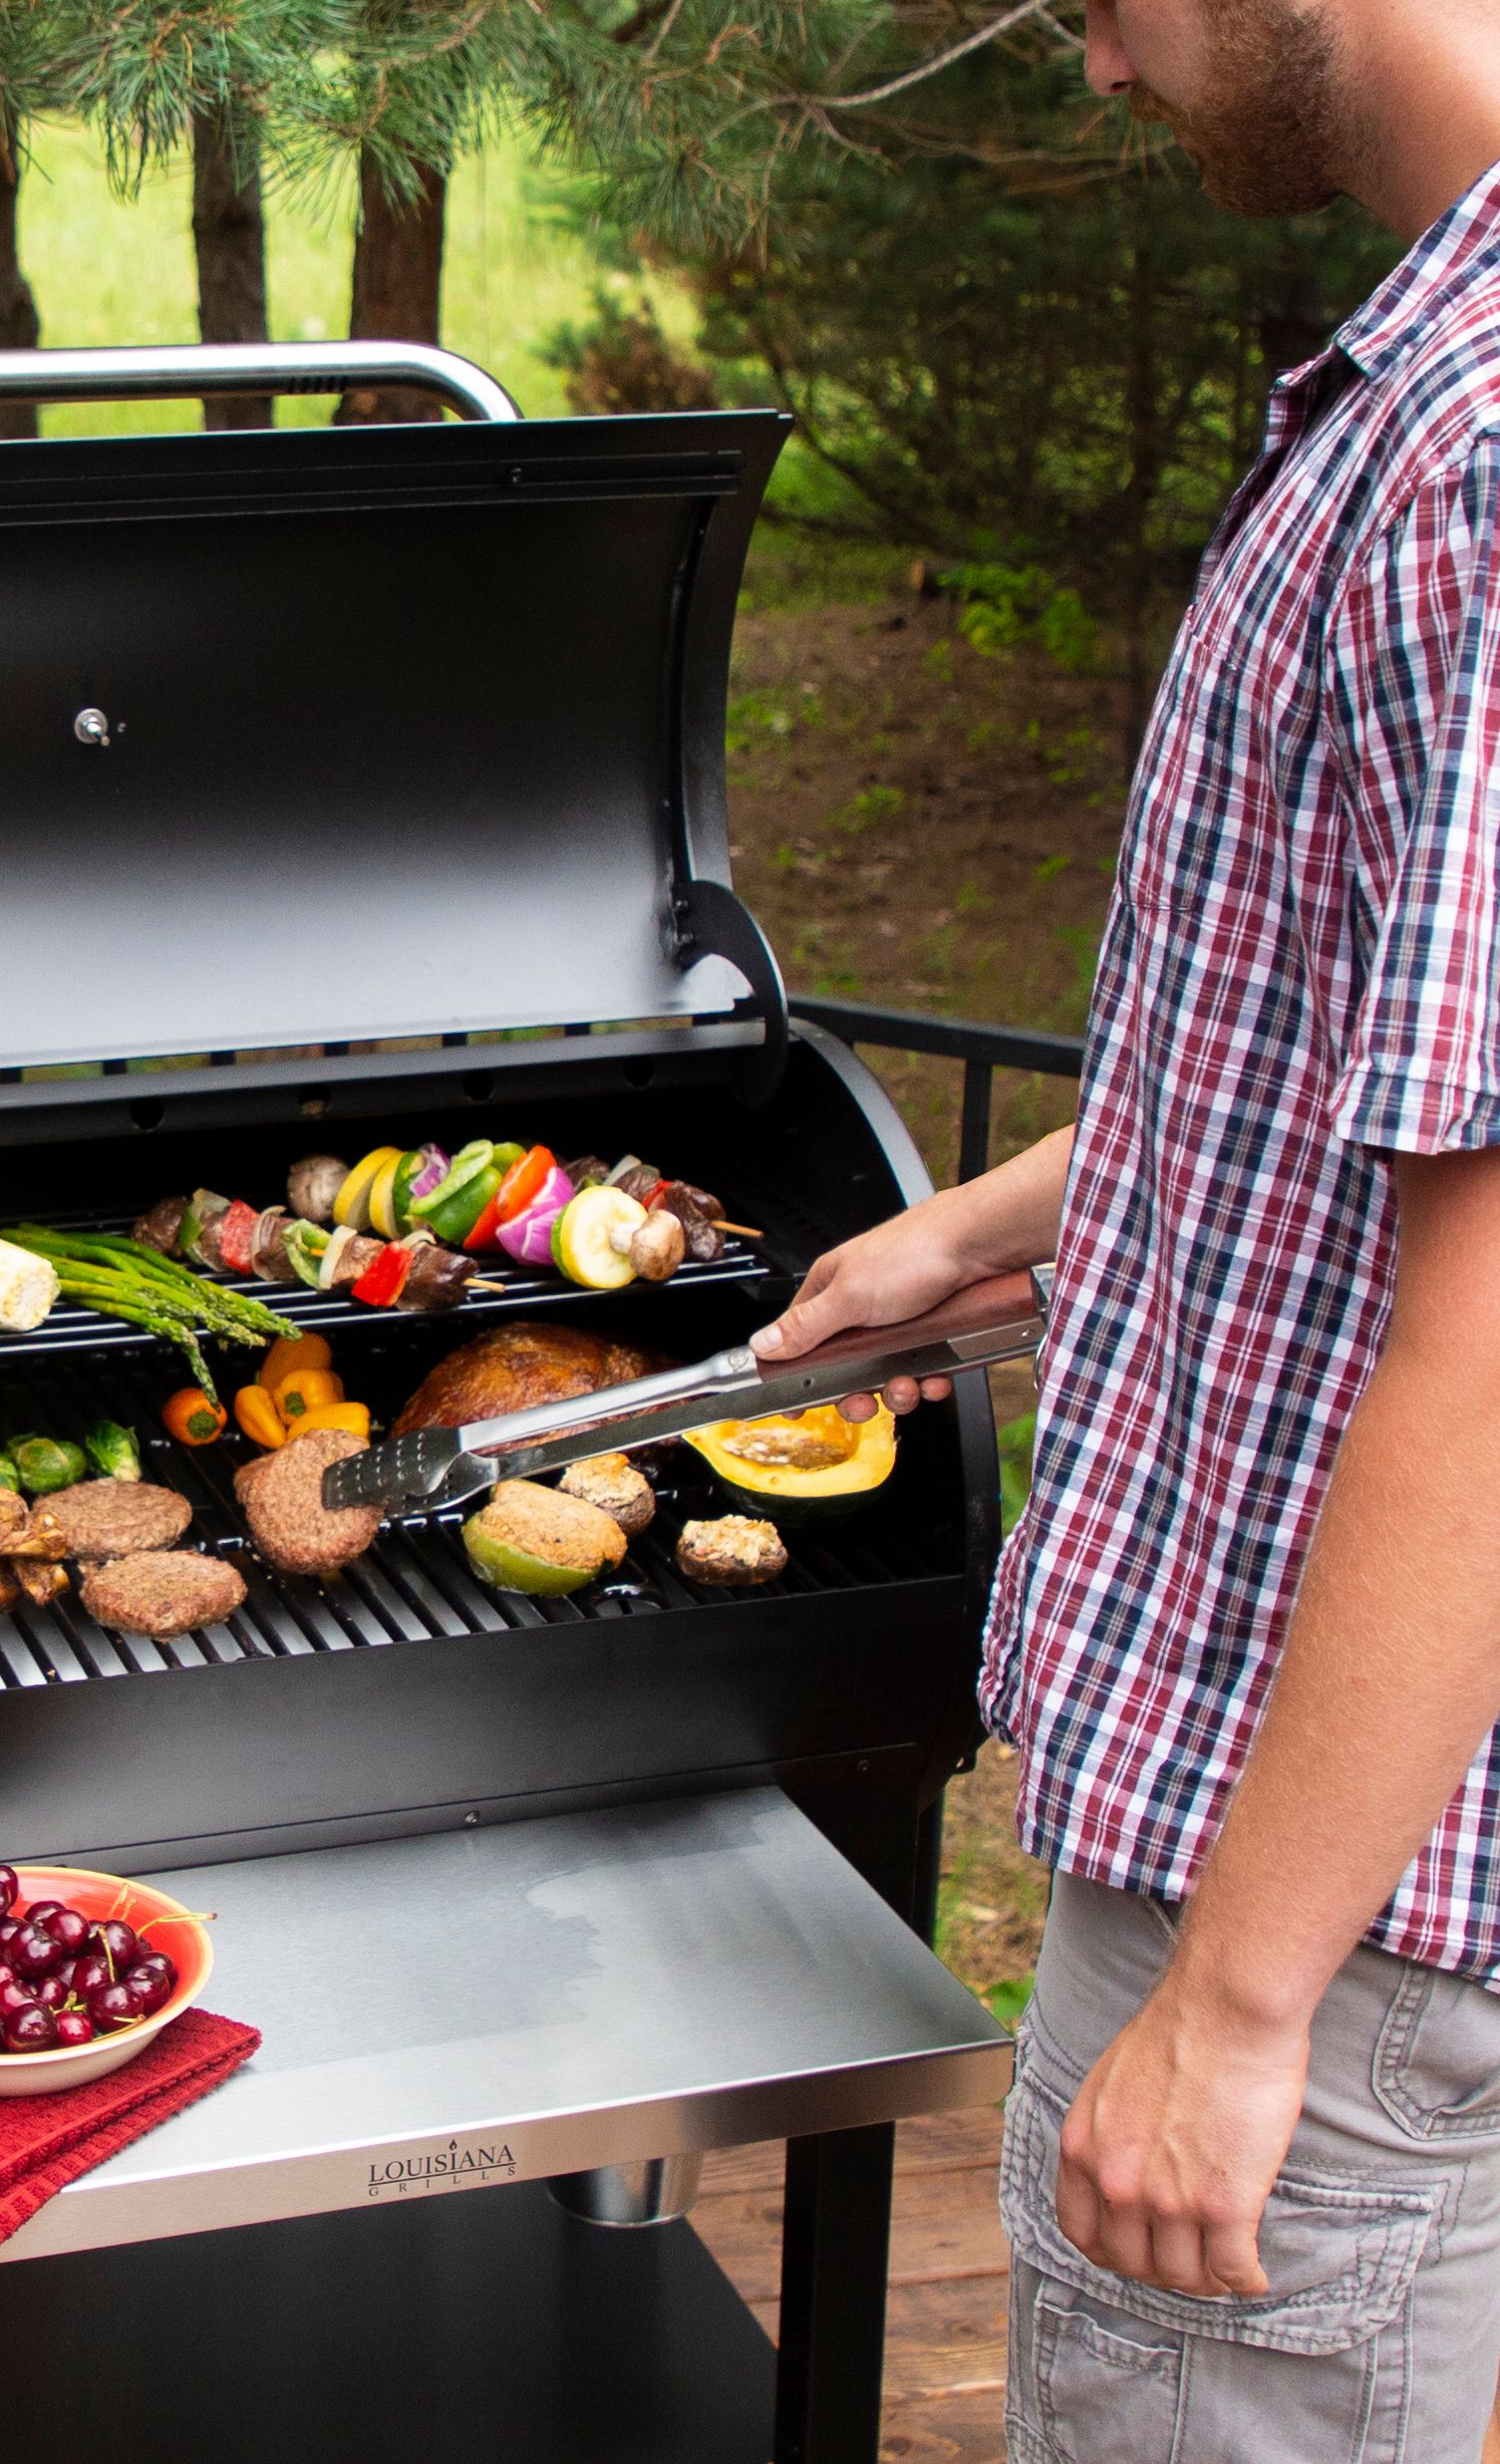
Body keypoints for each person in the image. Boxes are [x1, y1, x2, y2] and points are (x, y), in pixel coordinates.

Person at [748, 0, 1500, 2453]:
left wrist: (1251, 2001)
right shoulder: (1429, 383)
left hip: (1321, 1900)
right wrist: (992, 1225)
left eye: (1093, 2)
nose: (1092, 71)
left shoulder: (1478, 460)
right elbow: (1366, 1071)